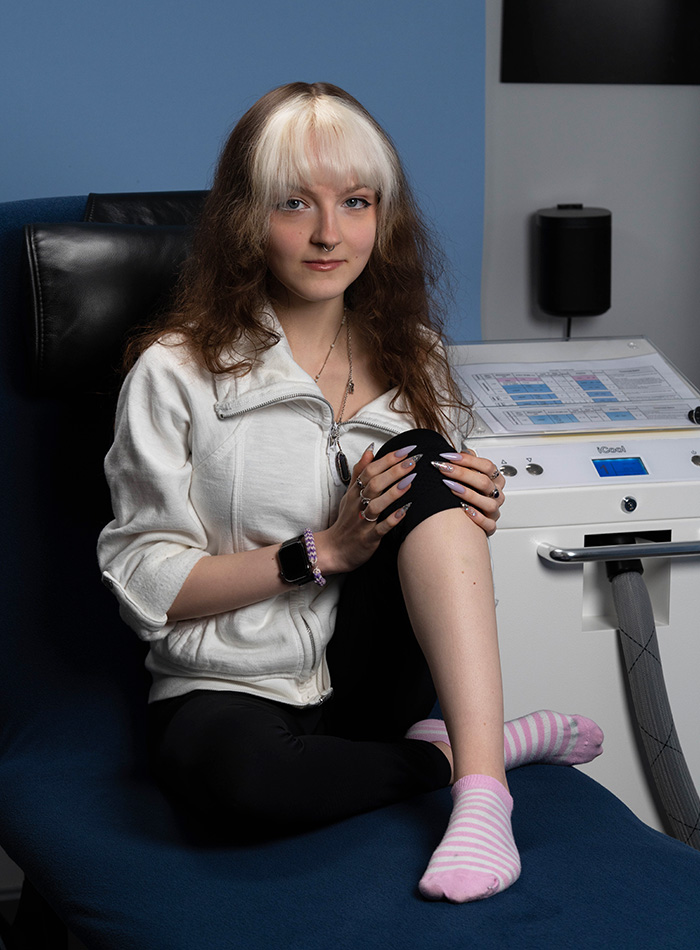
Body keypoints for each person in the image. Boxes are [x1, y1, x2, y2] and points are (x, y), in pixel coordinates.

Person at [97, 81, 603, 903]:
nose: (329, 233)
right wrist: (319, 552)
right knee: (241, 785)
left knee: (424, 458)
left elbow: (439, 560)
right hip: (230, 684)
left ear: (382, 218)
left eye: (356, 202)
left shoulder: (417, 358)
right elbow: (143, 580)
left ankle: (483, 799)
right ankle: (466, 752)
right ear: (247, 219)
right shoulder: (175, 371)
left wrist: (471, 506)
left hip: (375, 677)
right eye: (295, 203)